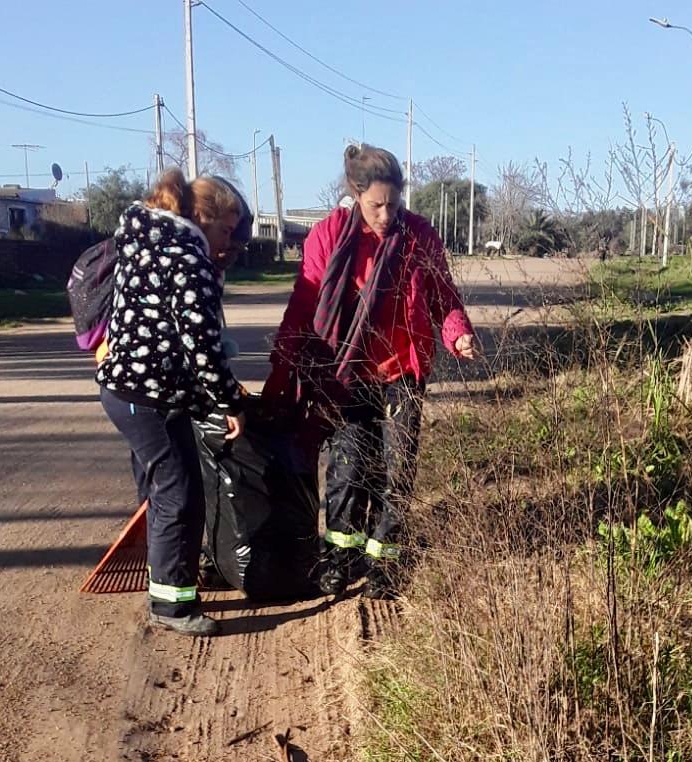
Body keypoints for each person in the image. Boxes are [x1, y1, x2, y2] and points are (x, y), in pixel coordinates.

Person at [266, 142, 477, 599]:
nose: (385, 215)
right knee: (348, 466)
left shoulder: (419, 235)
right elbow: (304, 308)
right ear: (356, 194)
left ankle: (386, 561)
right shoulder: (328, 237)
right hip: (349, 373)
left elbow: (442, 293)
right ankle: (340, 556)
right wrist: (281, 371)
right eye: (376, 204)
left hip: (402, 370)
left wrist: (457, 331)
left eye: (393, 204)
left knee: (397, 470)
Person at [97, 168, 246, 637]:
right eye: (226, 228)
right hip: (148, 396)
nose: (228, 241)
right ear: (203, 216)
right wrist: (229, 402)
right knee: (178, 494)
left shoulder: (146, 243)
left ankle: (166, 576)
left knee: (166, 487)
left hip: (132, 390)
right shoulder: (187, 256)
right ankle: (171, 604)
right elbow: (201, 344)